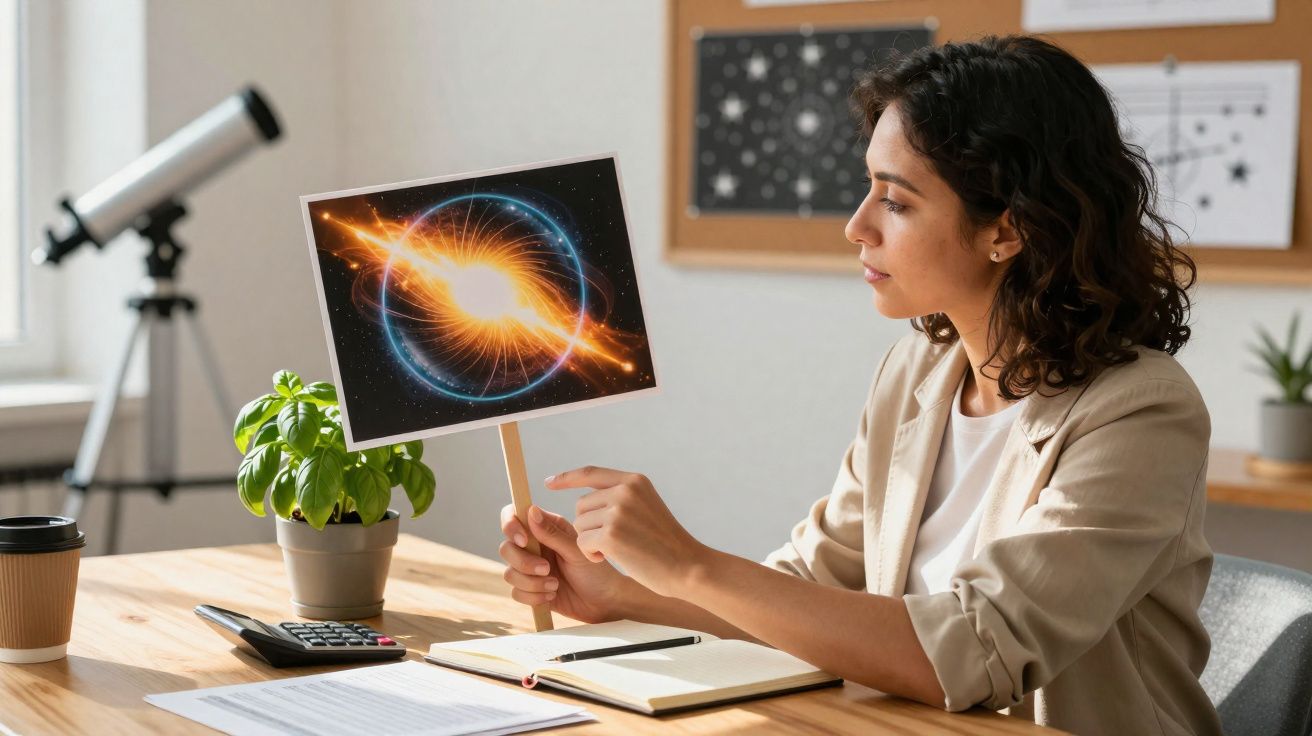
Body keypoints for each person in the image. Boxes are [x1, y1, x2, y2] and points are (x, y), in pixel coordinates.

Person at [498, 35, 1222, 735]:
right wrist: (621, 595)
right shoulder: (915, 375)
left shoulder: (1142, 412)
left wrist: (690, 564)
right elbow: (813, 591)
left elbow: (980, 650)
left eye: (897, 202)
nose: (856, 226)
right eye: (866, 189)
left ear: (1008, 230)